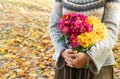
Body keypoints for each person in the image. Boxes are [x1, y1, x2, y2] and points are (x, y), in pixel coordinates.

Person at [49, 0, 120, 79]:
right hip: (67, 63)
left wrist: (89, 56)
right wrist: (62, 51)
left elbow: (111, 31)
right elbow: (55, 26)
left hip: (98, 65)